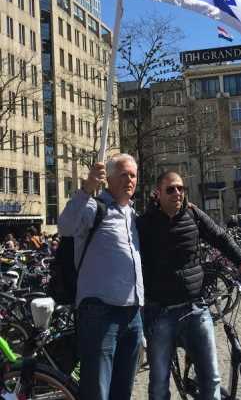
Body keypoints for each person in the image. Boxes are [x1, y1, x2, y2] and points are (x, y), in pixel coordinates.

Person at [137, 170, 241, 400]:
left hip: (195, 308)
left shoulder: (193, 214)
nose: (177, 193)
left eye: (181, 188)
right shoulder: (144, 224)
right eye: (170, 189)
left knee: (210, 379)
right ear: (158, 193)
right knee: (159, 385)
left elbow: (221, 237)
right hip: (160, 313)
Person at [57, 154, 143, 400]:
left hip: (133, 313)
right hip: (100, 312)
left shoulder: (132, 215)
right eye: (124, 174)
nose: (130, 180)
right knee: (97, 391)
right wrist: (86, 189)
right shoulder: (94, 207)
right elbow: (65, 225)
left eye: (133, 175)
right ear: (109, 179)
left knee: (122, 390)